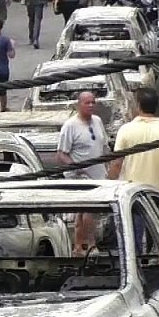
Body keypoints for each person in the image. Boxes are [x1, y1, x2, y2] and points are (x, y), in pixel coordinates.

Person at [57, 91, 108, 254]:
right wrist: (76, 167)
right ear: (79, 105)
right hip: (80, 178)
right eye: (87, 103)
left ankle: (78, 246)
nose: (91, 105)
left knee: (82, 214)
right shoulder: (70, 126)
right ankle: (90, 244)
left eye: (93, 102)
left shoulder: (98, 121)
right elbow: (61, 154)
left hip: (98, 176)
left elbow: (104, 146)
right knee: (88, 210)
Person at [108, 88, 159, 191]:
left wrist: (108, 182)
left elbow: (117, 164)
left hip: (131, 192)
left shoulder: (125, 130)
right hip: (156, 191)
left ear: (138, 106)